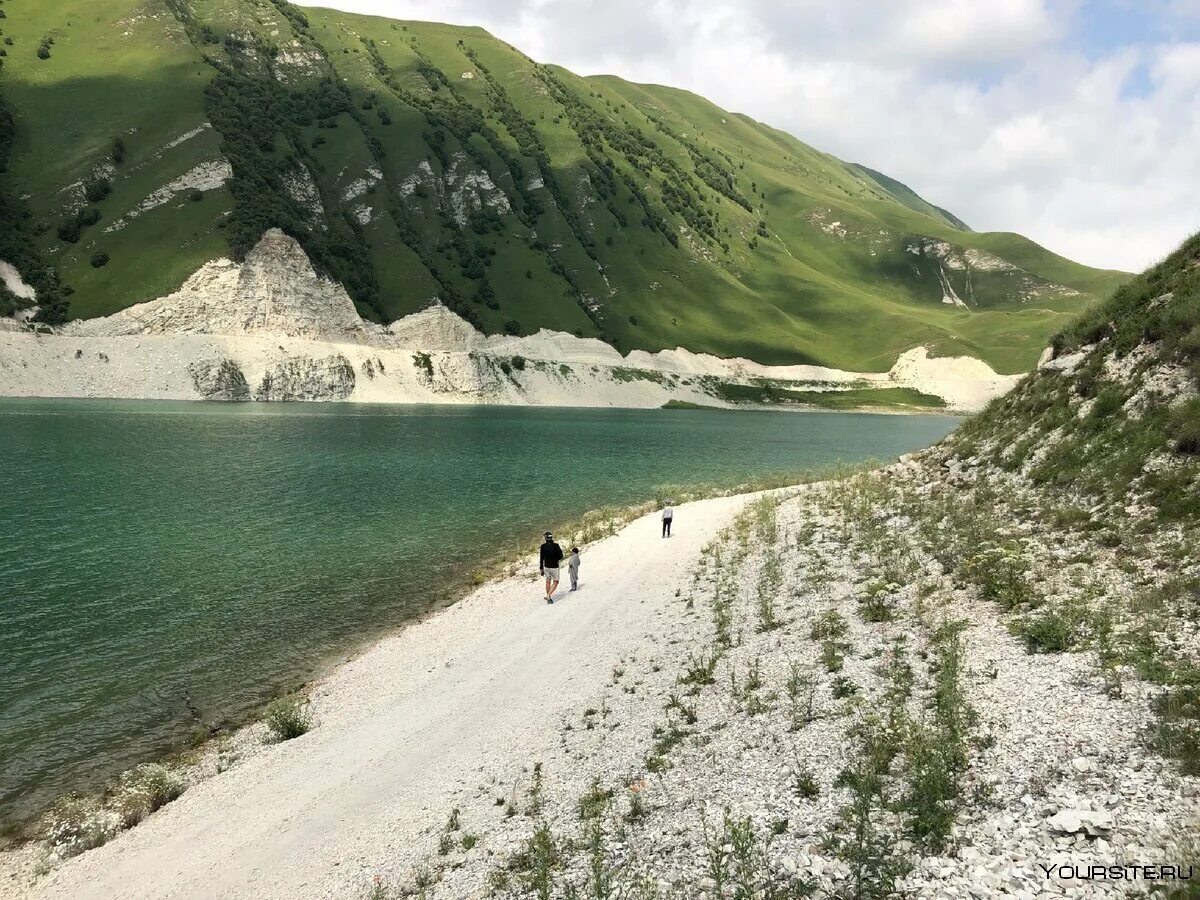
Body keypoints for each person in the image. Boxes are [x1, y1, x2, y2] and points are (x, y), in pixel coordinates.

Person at [539, 531, 564, 603]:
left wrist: (541, 568)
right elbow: (561, 556)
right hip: (554, 566)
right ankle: (548, 595)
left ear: (546, 538)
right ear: (551, 538)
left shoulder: (543, 546)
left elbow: (541, 558)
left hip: (546, 567)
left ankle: (549, 597)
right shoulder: (556, 545)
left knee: (548, 581)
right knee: (556, 582)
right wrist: (555, 558)